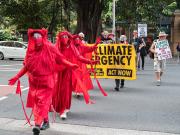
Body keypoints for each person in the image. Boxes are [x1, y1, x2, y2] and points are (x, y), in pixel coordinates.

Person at [8, 29, 78, 135]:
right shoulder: (31, 50)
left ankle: (37, 124)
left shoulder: (50, 47)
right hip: (34, 83)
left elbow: (60, 59)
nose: (36, 38)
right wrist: (16, 77)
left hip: (47, 82)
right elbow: (27, 66)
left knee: (42, 103)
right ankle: (46, 121)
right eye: (34, 36)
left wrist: (70, 65)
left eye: (38, 36)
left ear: (43, 37)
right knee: (38, 103)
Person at [52, 31, 98, 120]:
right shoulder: (56, 47)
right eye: (63, 37)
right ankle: (58, 106)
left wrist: (90, 62)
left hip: (68, 72)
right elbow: (50, 56)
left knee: (65, 91)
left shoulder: (72, 47)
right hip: (58, 72)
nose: (65, 39)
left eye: (66, 37)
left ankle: (64, 109)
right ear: (60, 38)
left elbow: (79, 57)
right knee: (56, 90)